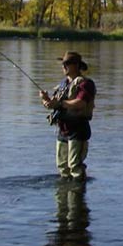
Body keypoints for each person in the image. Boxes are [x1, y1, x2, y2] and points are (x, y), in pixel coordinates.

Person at [40, 51, 96, 180]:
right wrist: (46, 100)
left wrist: (60, 103)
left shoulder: (86, 84)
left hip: (78, 129)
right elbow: (53, 104)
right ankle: (65, 196)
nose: (64, 66)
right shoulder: (63, 85)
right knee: (62, 167)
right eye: (63, 64)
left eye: (67, 64)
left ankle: (78, 195)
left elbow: (80, 103)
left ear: (76, 65)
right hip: (63, 129)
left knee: (74, 166)